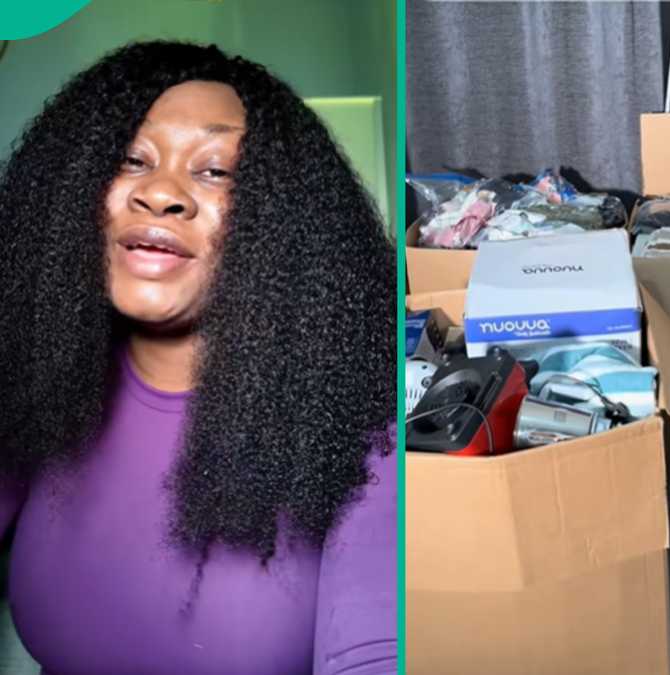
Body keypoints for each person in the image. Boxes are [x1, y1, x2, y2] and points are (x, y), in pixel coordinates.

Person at [0, 41, 397, 674]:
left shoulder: (361, 429)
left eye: (215, 170)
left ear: (282, 221)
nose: (161, 192)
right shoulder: (38, 386)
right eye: (133, 159)